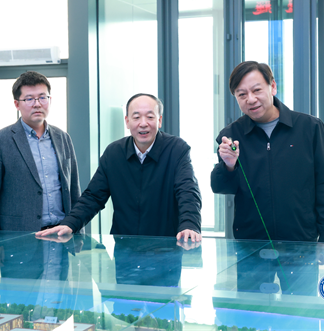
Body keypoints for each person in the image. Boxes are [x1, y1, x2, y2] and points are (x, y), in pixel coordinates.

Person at [211, 61, 324, 261]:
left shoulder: (309, 128)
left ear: (272, 86)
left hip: (301, 244)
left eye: (257, 90)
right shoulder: (231, 135)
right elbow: (220, 187)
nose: (251, 99)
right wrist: (229, 165)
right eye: (242, 94)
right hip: (250, 247)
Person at [37, 93, 202, 241]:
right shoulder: (114, 153)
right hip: (125, 248)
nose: (143, 123)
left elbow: (188, 192)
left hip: (166, 247)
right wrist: (70, 224)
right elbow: (93, 197)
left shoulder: (176, 149)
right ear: (127, 121)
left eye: (150, 117)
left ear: (159, 121)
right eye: (136, 117)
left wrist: (189, 224)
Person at [0, 71, 81, 232]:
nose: (37, 104)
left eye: (42, 97)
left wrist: (78, 232)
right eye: (29, 99)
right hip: (19, 236)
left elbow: (74, 191)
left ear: (50, 100)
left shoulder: (63, 138)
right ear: (17, 104)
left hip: (61, 234)